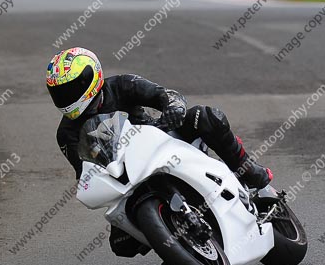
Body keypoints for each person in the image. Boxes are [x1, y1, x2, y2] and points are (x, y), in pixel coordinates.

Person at [46, 47, 272, 189]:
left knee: (205, 116)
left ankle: (246, 168)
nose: (66, 97)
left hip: (159, 140)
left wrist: (173, 107)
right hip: (124, 176)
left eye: (71, 89)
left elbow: (165, 95)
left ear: (90, 77)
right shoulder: (65, 133)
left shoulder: (123, 85)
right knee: (122, 244)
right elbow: (85, 173)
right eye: (60, 92)